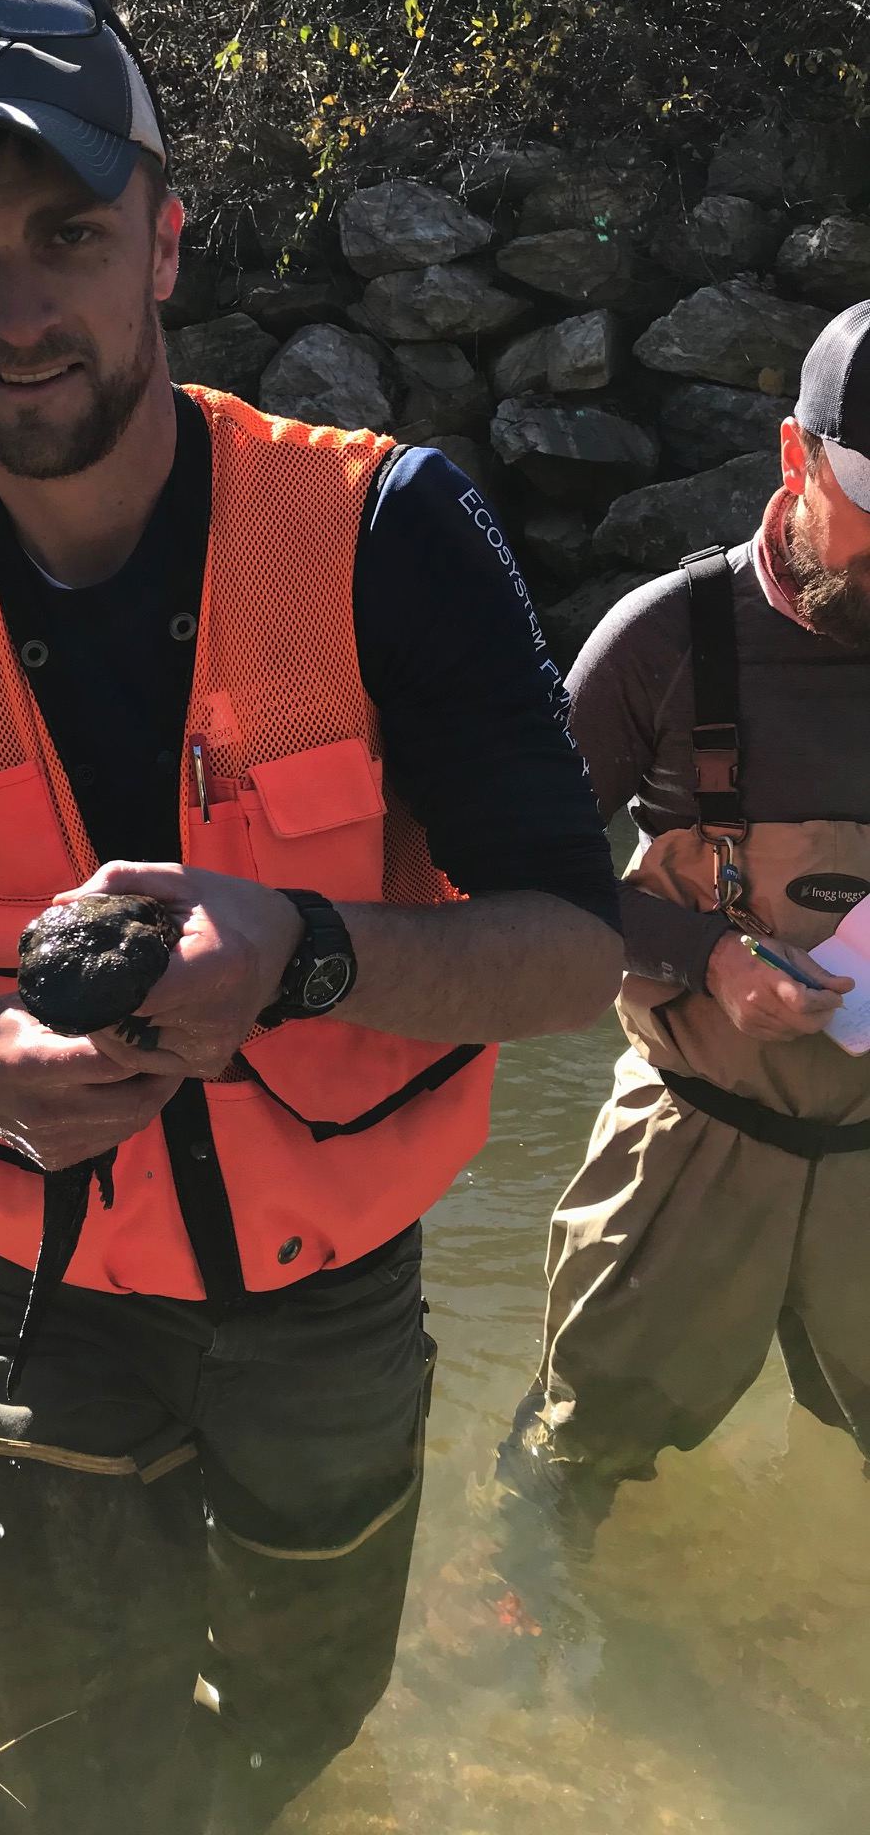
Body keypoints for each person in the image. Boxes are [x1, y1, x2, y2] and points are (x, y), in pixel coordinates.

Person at [0, 0, 621, 1835]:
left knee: (300, 1714)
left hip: (332, 1307)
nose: (20, 303)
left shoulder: (388, 530)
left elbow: (572, 952)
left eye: (65, 230)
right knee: (58, 1778)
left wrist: (308, 952)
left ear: (163, 235)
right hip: (34, 1292)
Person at [500, 299, 870, 1551]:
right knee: (572, 1464)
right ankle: (525, 1682)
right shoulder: (667, 642)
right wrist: (702, 957)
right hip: (690, 1147)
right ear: (793, 458)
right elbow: (511, 884)